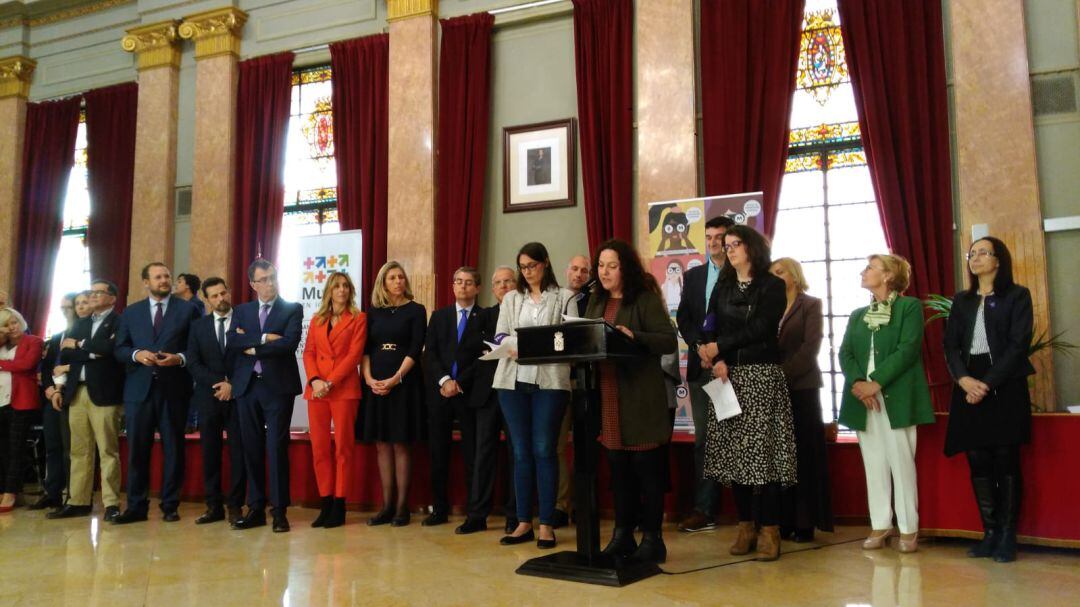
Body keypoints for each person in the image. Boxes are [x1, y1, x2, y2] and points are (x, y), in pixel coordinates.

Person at [698, 225, 797, 561]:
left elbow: (762, 328)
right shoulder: (723, 284)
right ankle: (745, 526)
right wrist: (717, 358)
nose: (730, 250)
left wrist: (720, 346)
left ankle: (770, 529)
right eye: (726, 246)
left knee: (762, 455)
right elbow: (710, 326)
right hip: (727, 377)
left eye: (735, 244)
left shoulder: (772, 285)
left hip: (760, 375)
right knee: (733, 455)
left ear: (752, 247)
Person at [583, 239, 678, 563]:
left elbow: (667, 340)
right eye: (601, 266)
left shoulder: (644, 299)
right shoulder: (595, 302)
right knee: (619, 471)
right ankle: (622, 535)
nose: (605, 272)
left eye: (612, 265)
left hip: (640, 398)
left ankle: (652, 539)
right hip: (608, 398)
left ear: (626, 268)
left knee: (646, 472)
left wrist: (635, 336)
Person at [944, 237, 1034, 563]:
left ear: (999, 260)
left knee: (1005, 457)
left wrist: (987, 383)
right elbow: (950, 346)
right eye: (972, 253)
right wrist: (965, 379)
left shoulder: (1017, 295)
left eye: (984, 252)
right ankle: (990, 531)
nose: (976, 257)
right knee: (978, 459)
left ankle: (1008, 535)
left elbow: (1017, 344)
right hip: (968, 381)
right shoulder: (962, 300)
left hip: (1004, 382)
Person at [839, 254, 934, 554]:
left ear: (889, 275)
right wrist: (859, 385)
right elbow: (845, 354)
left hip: (896, 396)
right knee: (874, 464)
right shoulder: (857, 314)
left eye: (870, 268)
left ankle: (909, 527)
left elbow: (908, 350)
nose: (863, 272)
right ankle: (880, 522)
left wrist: (876, 383)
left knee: (901, 462)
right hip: (862, 399)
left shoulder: (909, 307)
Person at [493, 242, 577, 549]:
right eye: (523, 267)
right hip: (512, 381)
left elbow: (570, 339)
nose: (527, 272)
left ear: (545, 263)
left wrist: (535, 344)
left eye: (532, 266)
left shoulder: (565, 297)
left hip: (550, 382)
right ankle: (523, 522)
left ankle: (547, 524)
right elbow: (501, 334)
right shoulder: (512, 299)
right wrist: (512, 343)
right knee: (521, 451)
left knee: (544, 449)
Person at [113, 263, 202, 524]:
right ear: (145, 282)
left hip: (174, 389)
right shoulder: (130, 313)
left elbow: (197, 348)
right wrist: (136, 354)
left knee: (173, 449)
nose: (164, 280)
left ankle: (170, 504)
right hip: (138, 390)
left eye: (167, 276)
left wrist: (180, 358)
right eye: (158, 277)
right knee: (137, 450)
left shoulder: (188, 310)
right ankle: (136, 506)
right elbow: (120, 348)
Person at [228, 259, 303, 533]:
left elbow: (288, 344)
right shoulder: (242, 311)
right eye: (264, 279)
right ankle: (256, 508)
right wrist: (264, 338)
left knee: (276, 448)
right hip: (247, 387)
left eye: (273, 277)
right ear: (253, 285)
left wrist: (253, 345)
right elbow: (233, 341)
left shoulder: (291, 309)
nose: (270, 283)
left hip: (278, 388)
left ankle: (280, 511)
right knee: (251, 448)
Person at [425, 267, 501, 533]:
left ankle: (474, 511)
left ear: (478, 288)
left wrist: (460, 383)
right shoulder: (439, 316)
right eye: (458, 281)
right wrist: (444, 380)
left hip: (469, 394)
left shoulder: (486, 317)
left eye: (469, 283)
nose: (463, 287)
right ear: (452, 285)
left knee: (473, 455)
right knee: (438, 452)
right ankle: (440, 508)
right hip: (440, 392)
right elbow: (430, 353)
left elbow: (484, 356)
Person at [46, 280, 125, 521]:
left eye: (98, 292)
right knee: (79, 449)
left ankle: (111, 504)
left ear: (112, 298)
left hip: (104, 393)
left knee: (107, 450)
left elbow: (111, 350)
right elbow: (67, 353)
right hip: (77, 392)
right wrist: (92, 351)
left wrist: (82, 346)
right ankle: (78, 500)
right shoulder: (80, 323)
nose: (92, 296)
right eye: (90, 292)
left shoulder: (119, 321)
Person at [675, 214, 734, 533]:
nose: (713, 243)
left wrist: (719, 351)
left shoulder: (740, 273)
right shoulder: (694, 276)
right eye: (709, 237)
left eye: (719, 237)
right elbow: (683, 319)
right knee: (705, 440)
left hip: (729, 367)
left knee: (734, 437)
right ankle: (704, 508)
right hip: (701, 368)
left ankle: (748, 512)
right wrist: (699, 346)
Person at [770, 257, 834, 542]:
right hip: (772, 389)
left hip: (803, 387)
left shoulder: (811, 304)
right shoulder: (767, 308)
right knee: (781, 457)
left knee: (804, 455)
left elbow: (811, 347)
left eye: (780, 272)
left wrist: (783, 375)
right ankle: (783, 520)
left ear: (794, 276)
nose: (775, 277)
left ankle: (805, 521)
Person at [361, 261, 426, 527]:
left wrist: (396, 378)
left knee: (400, 442)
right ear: (383, 283)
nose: (398, 281)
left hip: (404, 382)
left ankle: (402, 508)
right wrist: (368, 379)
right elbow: (365, 349)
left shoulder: (416, 310)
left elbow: (415, 347)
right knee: (381, 443)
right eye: (392, 278)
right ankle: (386, 506)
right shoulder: (373, 312)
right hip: (375, 382)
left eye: (401, 277)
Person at [302, 271, 366, 529]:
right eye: (337, 286)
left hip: (343, 390)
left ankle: (340, 503)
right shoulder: (317, 320)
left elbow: (354, 356)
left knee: (342, 448)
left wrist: (330, 382)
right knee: (319, 449)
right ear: (329, 290)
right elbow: (308, 353)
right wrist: (315, 380)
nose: (342, 290)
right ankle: (325, 502)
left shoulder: (359, 318)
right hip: (317, 391)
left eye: (346, 286)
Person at [185, 277, 246, 526]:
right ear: (206, 299)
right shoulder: (198, 327)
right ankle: (213, 506)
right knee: (210, 453)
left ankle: (235, 506)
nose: (221, 299)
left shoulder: (245, 320)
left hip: (238, 396)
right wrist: (219, 383)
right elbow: (193, 362)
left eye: (223, 293)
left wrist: (232, 383)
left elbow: (249, 358)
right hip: (209, 398)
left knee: (238, 453)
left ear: (228, 291)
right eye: (214, 296)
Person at [551, 254, 592, 528]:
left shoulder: (595, 302)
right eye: (574, 268)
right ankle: (561, 505)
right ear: (567, 270)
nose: (578, 274)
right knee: (557, 447)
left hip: (591, 384)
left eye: (584, 271)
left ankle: (586, 505)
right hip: (562, 381)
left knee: (587, 448)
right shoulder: (556, 300)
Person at [33, 292, 78, 511]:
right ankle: (52, 492)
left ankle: (72, 493)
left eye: (69, 306)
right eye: (62, 307)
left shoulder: (80, 335)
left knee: (70, 448)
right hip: (53, 397)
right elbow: (47, 367)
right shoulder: (58, 336)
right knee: (52, 446)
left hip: (74, 395)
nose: (65, 311)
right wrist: (49, 390)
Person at [484, 265, 519, 534]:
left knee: (516, 454)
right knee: (483, 454)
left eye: (509, 281)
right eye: (499, 283)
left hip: (518, 389)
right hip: (487, 394)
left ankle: (515, 514)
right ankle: (478, 513)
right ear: (493, 288)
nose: (504, 286)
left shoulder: (526, 310)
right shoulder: (484, 317)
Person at [0, 308, 44, 512]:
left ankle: (10, 493)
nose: (12, 327)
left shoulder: (33, 341)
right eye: (6, 324)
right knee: (2, 449)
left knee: (16, 449)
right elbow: (15, 365)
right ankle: (4, 490)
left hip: (22, 402)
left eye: (14, 322)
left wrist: (2, 364)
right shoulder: (2, 345)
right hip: (1, 402)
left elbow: (26, 365)